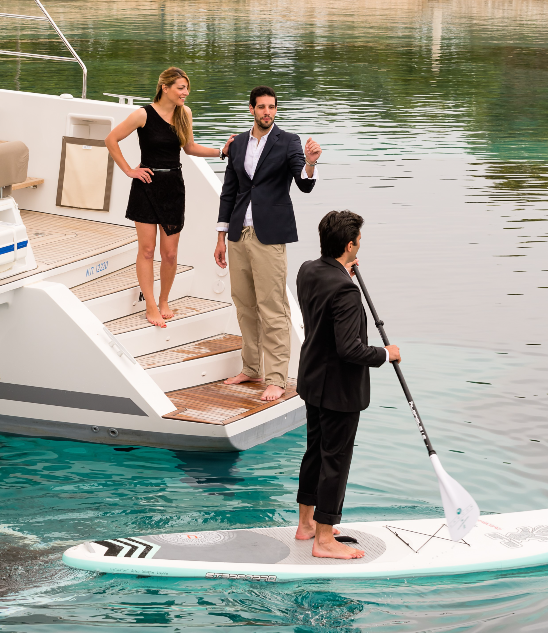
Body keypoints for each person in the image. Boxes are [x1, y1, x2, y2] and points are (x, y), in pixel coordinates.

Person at [295, 210, 401, 560]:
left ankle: (307, 524)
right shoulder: (346, 292)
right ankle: (324, 540)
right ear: (349, 244)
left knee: (315, 452)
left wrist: (343, 270)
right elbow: (350, 349)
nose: (359, 246)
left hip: (312, 379)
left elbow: (324, 309)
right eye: (358, 242)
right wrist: (385, 354)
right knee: (335, 461)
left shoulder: (308, 270)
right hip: (338, 390)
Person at [214, 85, 322, 402]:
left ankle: (276, 377)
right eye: (261, 107)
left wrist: (311, 163)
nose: (267, 112)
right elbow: (229, 192)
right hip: (237, 235)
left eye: (272, 107)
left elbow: (303, 184)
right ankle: (251, 368)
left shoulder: (288, 142)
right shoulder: (237, 144)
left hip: (269, 237)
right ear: (251, 109)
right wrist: (220, 236)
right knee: (245, 305)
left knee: (272, 308)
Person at [106, 67, 232, 328]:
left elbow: (190, 148)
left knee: (171, 254)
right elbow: (111, 139)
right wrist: (130, 170)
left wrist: (221, 151)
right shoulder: (143, 114)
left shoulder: (184, 113)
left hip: (173, 186)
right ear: (165, 88)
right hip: (147, 185)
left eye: (187, 88)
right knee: (148, 250)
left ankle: (164, 300)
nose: (185, 93)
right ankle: (150, 305)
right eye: (180, 88)